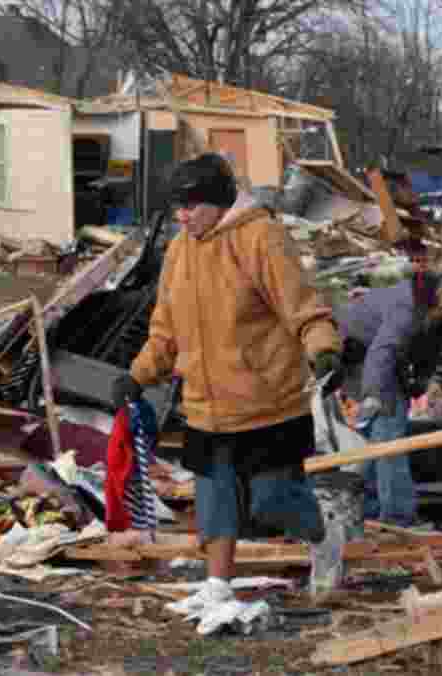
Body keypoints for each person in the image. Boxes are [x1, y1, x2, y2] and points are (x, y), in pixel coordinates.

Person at [111, 153, 345, 614]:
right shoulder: (180, 250)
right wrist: (137, 375)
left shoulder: (262, 238)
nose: (182, 216)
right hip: (205, 404)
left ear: (220, 204)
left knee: (271, 501)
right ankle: (218, 584)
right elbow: (165, 329)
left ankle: (325, 533)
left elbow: (304, 307)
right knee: (214, 501)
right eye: (178, 207)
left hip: (267, 398)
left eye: (192, 207)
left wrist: (323, 349)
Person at [334, 262, 442, 527]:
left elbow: (432, 346)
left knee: (380, 432)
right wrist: (374, 397)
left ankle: (369, 508)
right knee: (389, 432)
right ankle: (398, 517)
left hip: (376, 354)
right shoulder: (408, 308)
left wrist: (420, 378)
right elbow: (380, 353)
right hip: (357, 352)